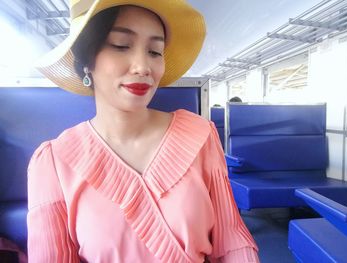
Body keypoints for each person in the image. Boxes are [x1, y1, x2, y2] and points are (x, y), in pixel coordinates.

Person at [27, 1, 259, 262]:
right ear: (87, 62)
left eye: (155, 51)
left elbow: (231, 240)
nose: (142, 67)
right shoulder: (53, 163)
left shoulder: (200, 135)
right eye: (121, 45)